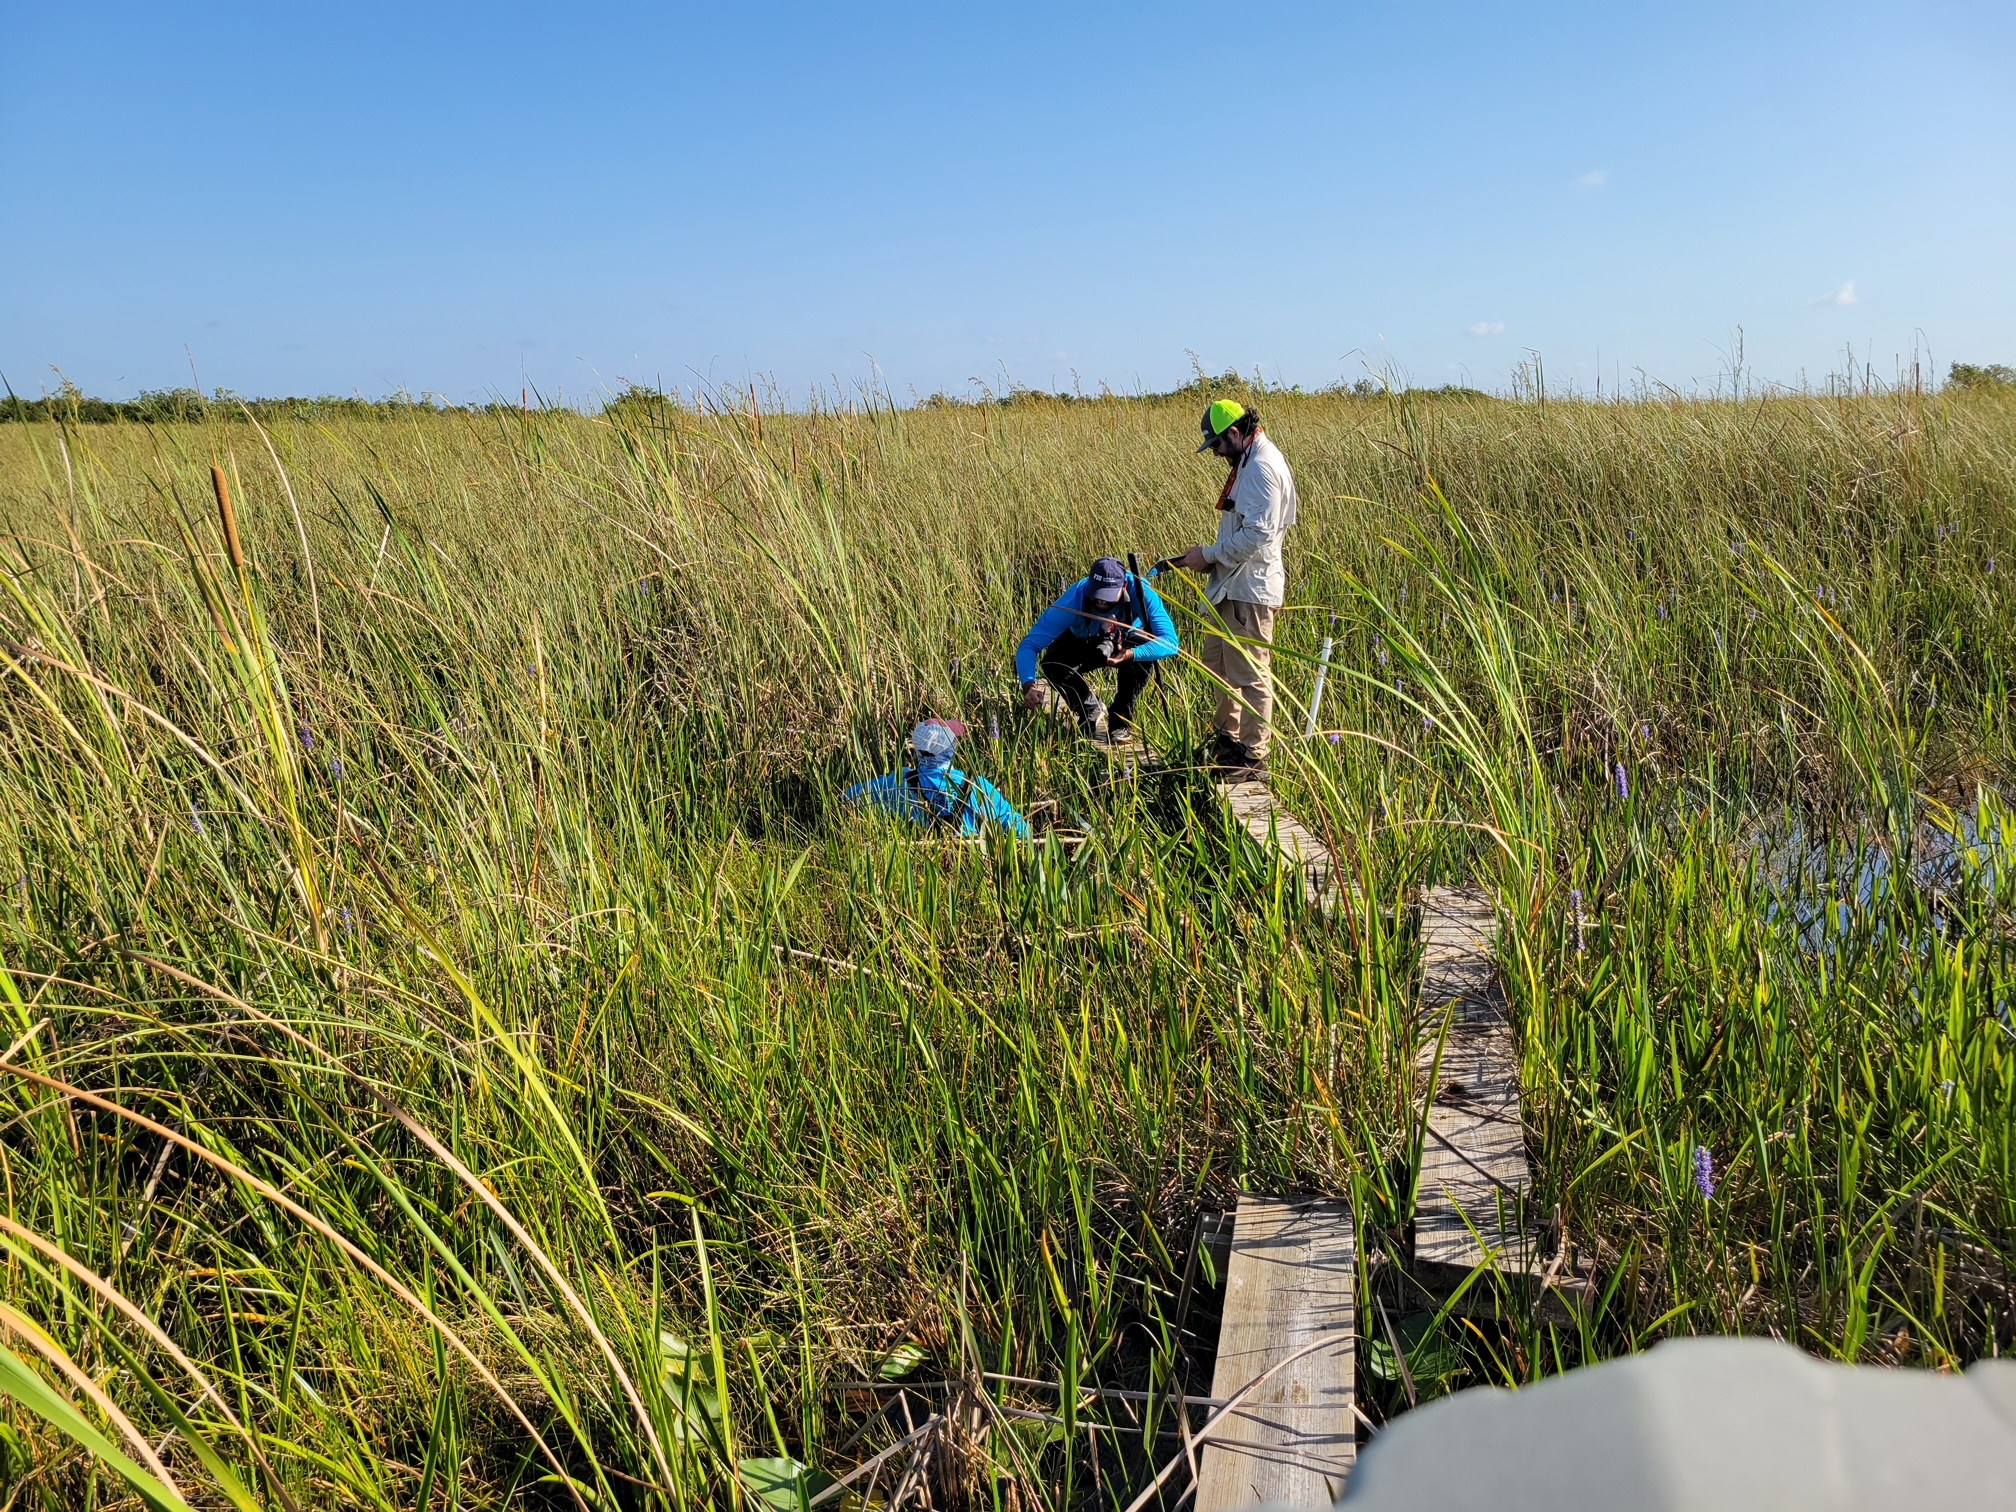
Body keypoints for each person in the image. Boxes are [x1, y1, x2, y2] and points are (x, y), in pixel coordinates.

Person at [1175, 400, 1298, 779]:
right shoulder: (1248, 460)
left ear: (1234, 432)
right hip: (1231, 585)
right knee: (1218, 665)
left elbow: (1259, 536)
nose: (1216, 454)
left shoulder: (1261, 467)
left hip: (1250, 588)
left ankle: (1253, 756)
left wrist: (1209, 556)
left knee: (1250, 673)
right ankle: (1227, 741)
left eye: (1217, 445)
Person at [1015, 556, 1180, 741]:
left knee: (1141, 659)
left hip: (1126, 643)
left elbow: (1170, 643)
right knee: (1053, 664)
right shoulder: (1074, 600)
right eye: (1097, 595)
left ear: (1124, 587)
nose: (1101, 602)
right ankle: (1088, 707)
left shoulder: (1143, 594)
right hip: (1084, 640)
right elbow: (1029, 645)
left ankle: (1120, 722)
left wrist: (1132, 654)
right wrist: (1028, 685)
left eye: (1108, 597)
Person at [843, 718, 1031, 840]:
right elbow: (1019, 829)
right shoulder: (977, 787)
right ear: (951, 749)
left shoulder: (899, 781)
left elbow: (850, 796)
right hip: (971, 868)